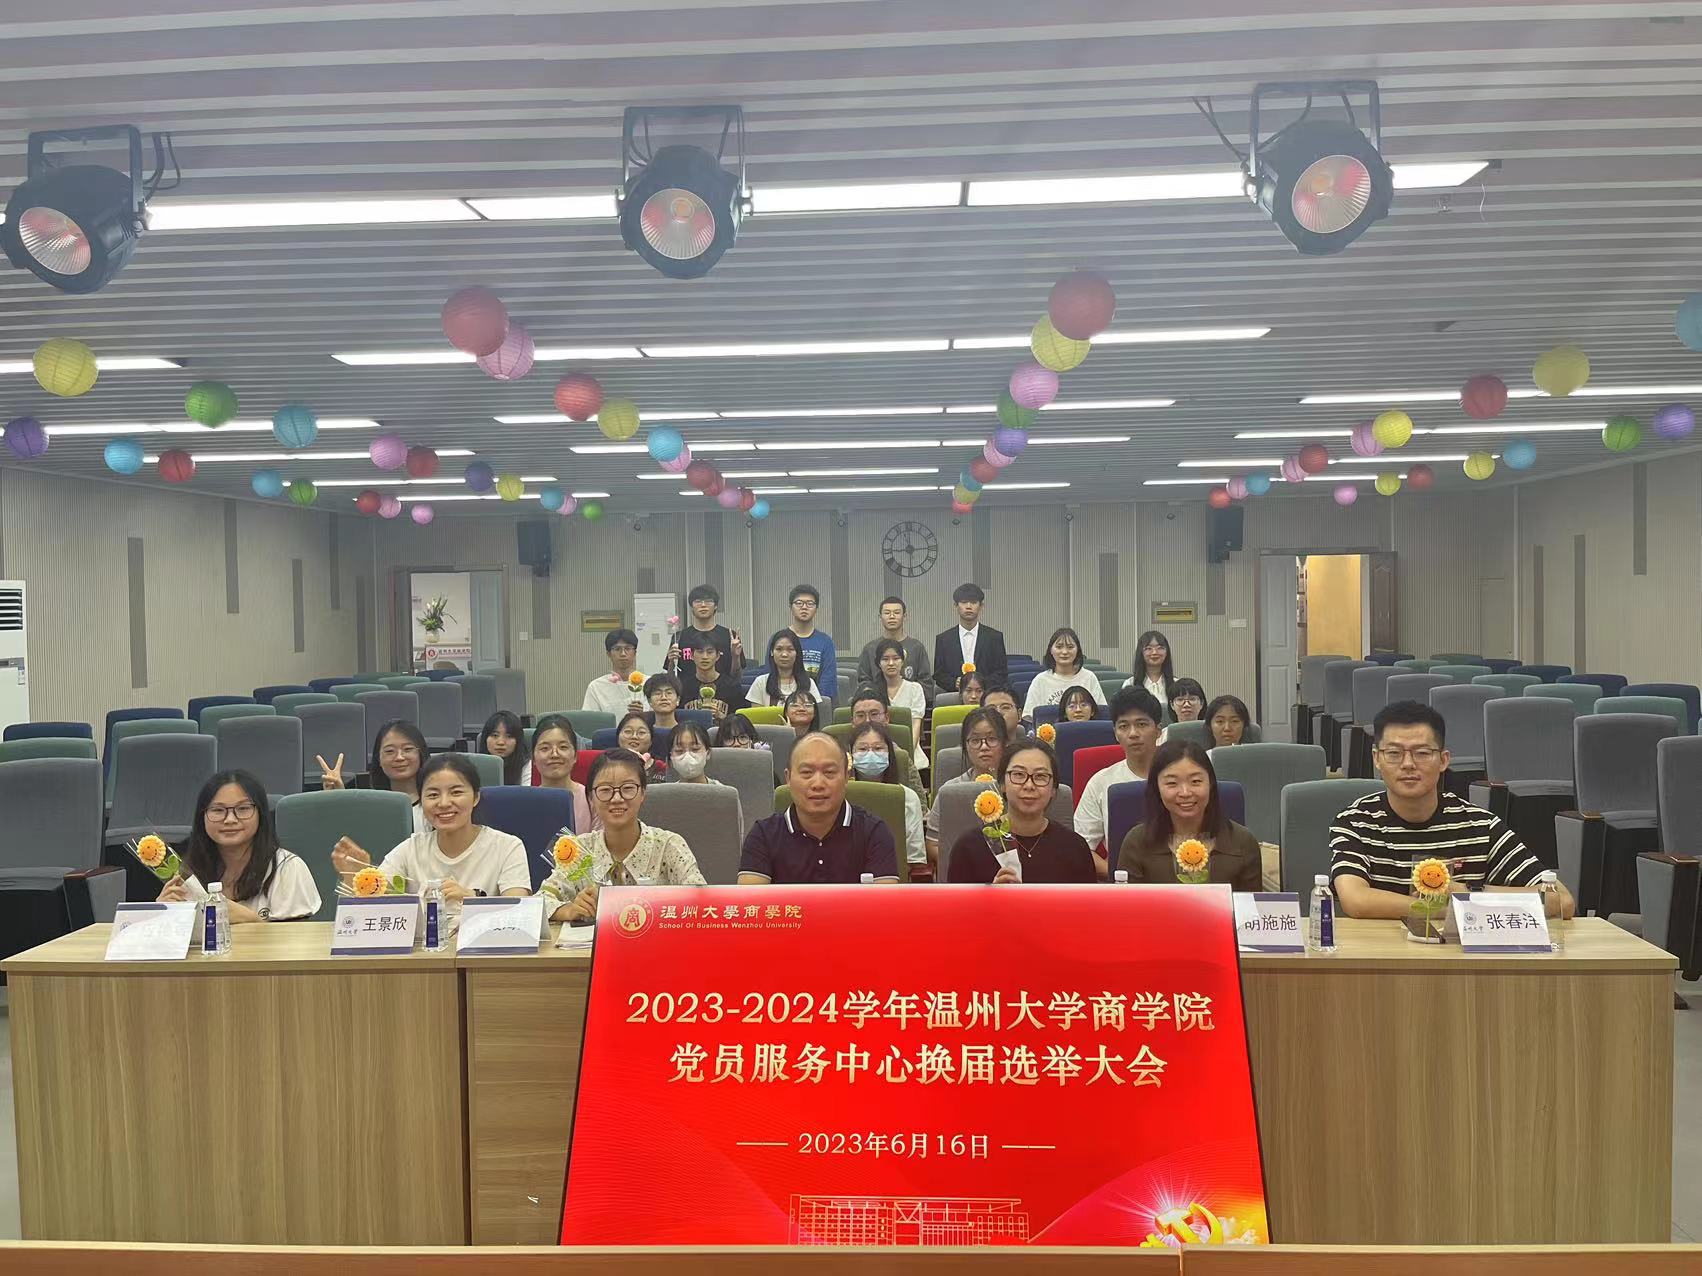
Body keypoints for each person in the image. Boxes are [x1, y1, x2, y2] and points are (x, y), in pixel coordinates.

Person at [1330, 700, 1575, 920]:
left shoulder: (1480, 826)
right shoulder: (1355, 822)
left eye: (1422, 753)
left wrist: (1469, 893)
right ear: (1376, 758)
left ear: (1444, 760)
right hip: (1382, 952)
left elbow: (1562, 900)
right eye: (1394, 753)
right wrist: (1446, 908)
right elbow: (1356, 900)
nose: (1408, 764)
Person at [332, 753, 529, 900]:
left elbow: (519, 911)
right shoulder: (410, 850)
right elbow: (375, 913)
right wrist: (358, 877)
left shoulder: (507, 847)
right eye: (433, 795)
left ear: (475, 797)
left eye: (456, 792)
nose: (444, 803)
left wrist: (472, 898)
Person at [549, 749, 708, 921]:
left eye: (628, 788)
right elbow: (540, 902)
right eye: (605, 790)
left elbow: (703, 902)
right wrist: (569, 910)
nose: (616, 798)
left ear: (643, 794)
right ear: (591, 798)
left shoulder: (669, 846)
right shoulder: (579, 851)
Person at [156, 770, 320, 921]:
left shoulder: (287, 868)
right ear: (202, 817)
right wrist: (162, 915)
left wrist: (250, 919)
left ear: (260, 814)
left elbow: (298, 939)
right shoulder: (186, 873)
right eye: (218, 810)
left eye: (243, 809)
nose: (230, 819)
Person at [738, 731, 899, 884]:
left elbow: (886, 901)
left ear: (846, 777)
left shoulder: (874, 832)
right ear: (788, 778)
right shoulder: (763, 835)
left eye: (829, 772)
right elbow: (751, 901)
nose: (818, 784)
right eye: (807, 773)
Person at [1118, 739, 1262, 889]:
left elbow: (1248, 903)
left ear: (1211, 784)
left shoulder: (1243, 842)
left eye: (1195, 781)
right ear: (1157, 788)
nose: (1185, 792)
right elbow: (1127, 902)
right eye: (1172, 783)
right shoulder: (1136, 843)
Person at [948, 739, 1095, 884]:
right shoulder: (969, 848)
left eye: (1040, 776)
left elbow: (1088, 900)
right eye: (1018, 774)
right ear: (1002, 784)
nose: (1029, 785)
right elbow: (955, 900)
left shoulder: (1075, 848)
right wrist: (992, 895)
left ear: (1053, 790)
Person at [1072, 687, 1163, 876]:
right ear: (1115, 733)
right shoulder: (1100, 782)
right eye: (1123, 726)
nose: (1133, 733)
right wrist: (1116, 873)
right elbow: (1080, 847)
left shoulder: (1180, 779)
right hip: (1122, 883)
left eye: (1141, 724)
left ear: (1158, 730)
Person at [924, 707, 1008, 861]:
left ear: (1004, 742)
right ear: (965, 746)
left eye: (992, 738)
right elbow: (933, 844)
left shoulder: (1016, 786)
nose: (984, 746)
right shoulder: (950, 790)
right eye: (975, 740)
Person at [318, 719, 429, 832]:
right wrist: (339, 798)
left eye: (408, 749)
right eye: (390, 751)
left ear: (420, 754)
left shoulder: (434, 804)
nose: (399, 757)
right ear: (378, 759)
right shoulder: (369, 807)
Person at [849, 721, 927, 873]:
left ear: (889, 754)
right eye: (862, 749)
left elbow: (914, 859)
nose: (870, 754)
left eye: (878, 748)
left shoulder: (907, 797)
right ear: (851, 755)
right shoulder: (840, 796)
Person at [847, 686, 926, 797]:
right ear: (852, 721)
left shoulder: (899, 756)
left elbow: (920, 800)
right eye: (860, 715)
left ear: (886, 718)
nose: (868, 720)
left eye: (874, 714)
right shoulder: (839, 755)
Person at [932, 582, 1007, 692]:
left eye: (973, 602)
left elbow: (1001, 673)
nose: (968, 606)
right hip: (954, 695)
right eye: (964, 602)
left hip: (986, 695)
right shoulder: (943, 639)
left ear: (981, 606)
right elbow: (939, 675)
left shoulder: (994, 637)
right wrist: (954, 683)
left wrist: (980, 685)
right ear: (956, 606)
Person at [855, 597, 933, 701]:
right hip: (877, 704)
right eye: (887, 613)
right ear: (880, 617)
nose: (892, 617)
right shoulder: (870, 649)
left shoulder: (916, 647)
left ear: (904, 616)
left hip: (911, 704)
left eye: (896, 612)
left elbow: (926, 684)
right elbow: (863, 684)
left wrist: (902, 696)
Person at [1021, 626, 1108, 718]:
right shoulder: (1040, 680)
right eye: (1059, 647)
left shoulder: (1089, 677)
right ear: (1051, 650)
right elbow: (1029, 716)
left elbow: (1101, 712)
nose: (1065, 652)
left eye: (1070, 647)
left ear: (1077, 650)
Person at [528, 713, 593, 833]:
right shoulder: (525, 802)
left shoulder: (591, 799)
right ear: (533, 759)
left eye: (563, 747)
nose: (554, 754)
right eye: (545, 748)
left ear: (575, 756)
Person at [667, 583, 743, 682]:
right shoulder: (679, 637)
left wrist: (736, 657)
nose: (703, 605)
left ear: (715, 606)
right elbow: (671, 678)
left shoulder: (730, 636)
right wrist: (671, 661)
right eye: (698, 601)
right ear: (692, 606)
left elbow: (736, 677)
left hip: (724, 690)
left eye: (708, 601)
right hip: (687, 691)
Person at [783, 584, 838, 701]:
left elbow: (827, 683)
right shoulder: (779, 640)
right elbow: (770, 675)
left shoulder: (825, 642)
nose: (804, 607)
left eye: (810, 603)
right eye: (799, 603)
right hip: (781, 702)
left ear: (816, 609)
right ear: (790, 607)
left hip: (814, 704)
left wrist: (812, 704)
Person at [676, 631, 747, 721]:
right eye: (700, 652)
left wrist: (722, 717)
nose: (705, 657)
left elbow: (740, 723)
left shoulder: (732, 686)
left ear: (717, 656)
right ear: (692, 655)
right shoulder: (683, 687)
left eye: (710, 652)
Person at [747, 630, 823, 707]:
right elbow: (756, 714)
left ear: (797, 653)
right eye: (779, 649)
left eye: (790, 649)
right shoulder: (760, 683)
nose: (784, 654)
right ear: (772, 652)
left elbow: (814, 713)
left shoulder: (809, 683)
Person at [583, 628, 648, 718]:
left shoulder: (649, 683)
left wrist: (643, 714)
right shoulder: (596, 687)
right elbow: (589, 719)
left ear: (635, 652)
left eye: (628, 648)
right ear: (609, 654)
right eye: (617, 649)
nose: (623, 654)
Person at [873, 638, 928, 724]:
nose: (891, 663)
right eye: (885, 659)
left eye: (896, 658)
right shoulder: (872, 691)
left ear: (902, 661)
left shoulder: (915, 689)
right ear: (879, 663)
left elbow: (915, 725)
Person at [1125, 630, 1176, 718]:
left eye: (1160, 648)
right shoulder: (1130, 684)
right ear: (1141, 653)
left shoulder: (1176, 684)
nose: (1154, 652)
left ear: (1167, 652)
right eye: (1148, 648)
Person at [479, 709, 532, 785]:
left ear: (518, 740)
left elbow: (526, 791)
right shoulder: (475, 765)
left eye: (509, 736)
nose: (501, 742)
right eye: (495, 735)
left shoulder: (527, 766)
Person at [666, 720, 725, 788]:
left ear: (708, 753)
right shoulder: (665, 793)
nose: (687, 757)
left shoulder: (723, 792)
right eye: (679, 750)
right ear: (671, 757)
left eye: (695, 749)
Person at [616, 712, 665, 780]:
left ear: (651, 741)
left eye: (641, 732)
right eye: (628, 731)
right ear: (618, 738)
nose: (634, 737)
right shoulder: (605, 763)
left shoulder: (662, 768)